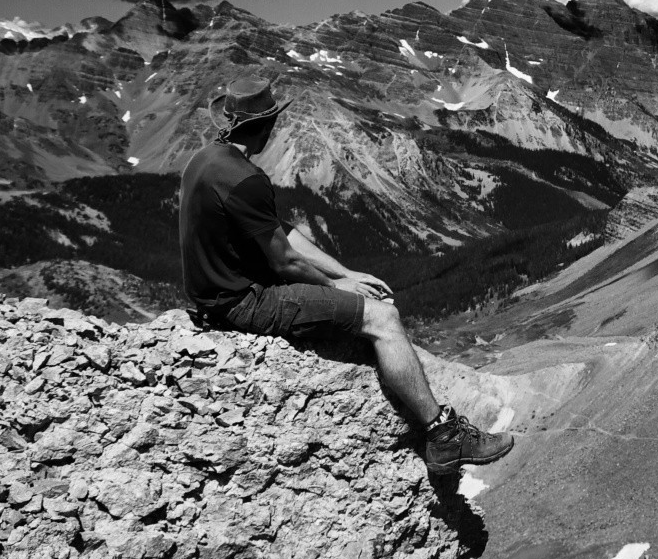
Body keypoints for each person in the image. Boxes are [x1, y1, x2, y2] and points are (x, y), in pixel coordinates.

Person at [177, 74, 513, 475]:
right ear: (266, 126)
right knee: (383, 318)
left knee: (365, 302)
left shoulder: (205, 160)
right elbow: (286, 262)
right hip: (244, 301)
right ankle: (443, 437)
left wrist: (346, 271)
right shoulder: (247, 179)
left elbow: (279, 232)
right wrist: (337, 286)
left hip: (213, 294)